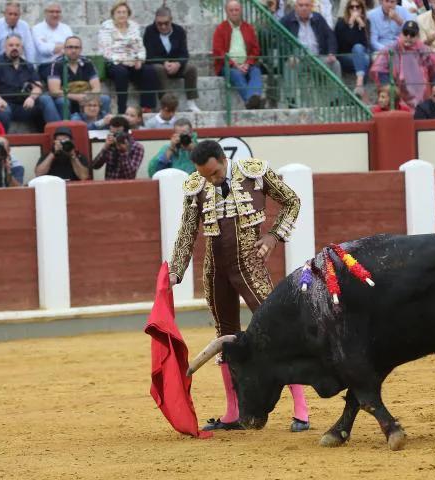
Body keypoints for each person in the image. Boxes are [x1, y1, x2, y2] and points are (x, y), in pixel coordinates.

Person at [168, 140, 310, 433]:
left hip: (250, 264)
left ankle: (301, 411)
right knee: (224, 337)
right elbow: (186, 230)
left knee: (279, 331)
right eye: (205, 176)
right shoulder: (196, 184)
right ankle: (233, 414)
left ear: (222, 160)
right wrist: (175, 271)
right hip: (215, 270)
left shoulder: (254, 172)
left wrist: (272, 237)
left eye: (215, 173)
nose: (211, 180)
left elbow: (292, 201)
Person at [0, 33, 61, 132]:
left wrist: (32, 97)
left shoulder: (27, 65)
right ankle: (2, 142)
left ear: (22, 48)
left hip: (24, 105)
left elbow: (38, 86)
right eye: (11, 45)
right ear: (5, 47)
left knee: (45, 99)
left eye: (17, 45)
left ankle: (58, 134)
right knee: (3, 110)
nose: (14, 48)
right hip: (4, 103)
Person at [98, 0, 159, 114]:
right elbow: (106, 51)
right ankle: (122, 109)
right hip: (114, 63)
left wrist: (139, 60)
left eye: (124, 12)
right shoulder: (106, 27)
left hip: (133, 61)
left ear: (128, 14)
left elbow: (141, 47)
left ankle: (147, 107)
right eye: (119, 12)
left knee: (149, 71)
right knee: (121, 72)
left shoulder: (134, 26)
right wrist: (124, 61)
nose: (122, 15)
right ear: (113, 14)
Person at [370, 21, 435, 109]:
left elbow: (434, 70)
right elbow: (381, 70)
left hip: (422, 93)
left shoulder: (424, 50)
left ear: (417, 36)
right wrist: (390, 89)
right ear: (401, 34)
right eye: (405, 33)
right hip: (398, 92)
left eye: (412, 35)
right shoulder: (390, 49)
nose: (408, 37)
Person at [143, 6, 200, 112]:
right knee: (158, 69)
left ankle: (191, 102)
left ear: (171, 20)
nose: (163, 26)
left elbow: (184, 54)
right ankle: (164, 103)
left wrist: (178, 63)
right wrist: (164, 62)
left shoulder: (179, 30)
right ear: (155, 21)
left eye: (166, 23)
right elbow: (148, 55)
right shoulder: (149, 31)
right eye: (159, 24)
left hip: (176, 66)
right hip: (159, 65)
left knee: (191, 68)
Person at [212, 0, 264, 109]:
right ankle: (254, 101)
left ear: (241, 11)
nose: (234, 13)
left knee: (256, 71)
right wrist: (235, 65)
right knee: (236, 74)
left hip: (247, 64)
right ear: (227, 12)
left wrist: (247, 63)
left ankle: (251, 101)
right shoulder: (220, 29)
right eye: (231, 10)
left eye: (236, 10)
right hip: (228, 65)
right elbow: (218, 51)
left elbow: (255, 49)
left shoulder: (248, 28)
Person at [334, 0, 372, 98]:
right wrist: (350, 24)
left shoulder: (366, 22)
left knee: (361, 51)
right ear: (348, 9)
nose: (355, 9)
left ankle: (359, 83)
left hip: (359, 55)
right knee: (364, 57)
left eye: (357, 7)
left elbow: (365, 44)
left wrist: (362, 25)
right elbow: (344, 44)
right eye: (352, 7)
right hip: (345, 56)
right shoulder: (341, 23)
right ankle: (361, 88)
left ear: (362, 9)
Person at [32, 1, 74, 80]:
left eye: (57, 12)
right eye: (52, 12)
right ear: (45, 13)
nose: (55, 15)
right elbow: (43, 49)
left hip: (65, 63)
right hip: (46, 65)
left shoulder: (66, 28)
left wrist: (52, 45)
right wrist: (64, 45)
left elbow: (72, 48)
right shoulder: (37, 29)